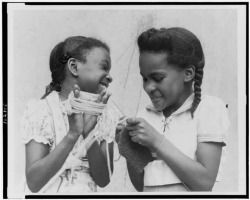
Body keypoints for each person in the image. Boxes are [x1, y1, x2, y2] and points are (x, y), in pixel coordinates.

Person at [116, 27, 230, 192]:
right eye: (145, 78)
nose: (148, 87)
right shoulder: (144, 116)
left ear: (188, 73)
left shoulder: (209, 108)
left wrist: (156, 141)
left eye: (157, 78)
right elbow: (140, 186)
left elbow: (204, 183)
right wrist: (129, 148)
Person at [21, 36, 121, 194]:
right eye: (104, 67)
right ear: (74, 67)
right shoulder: (42, 110)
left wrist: (89, 134)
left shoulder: (106, 115)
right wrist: (72, 134)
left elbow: (104, 180)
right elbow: (34, 183)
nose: (110, 77)